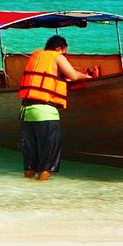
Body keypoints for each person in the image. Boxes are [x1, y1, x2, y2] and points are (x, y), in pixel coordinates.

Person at [18, 34, 92, 180]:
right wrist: (88, 77)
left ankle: (27, 191)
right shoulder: (57, 56)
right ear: (59, 48)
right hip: (46, 114)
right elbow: (73, 75)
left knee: (30, 163)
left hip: (25, 113)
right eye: (65, 52)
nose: (65, 55)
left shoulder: (36, 55)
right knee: (47, 163)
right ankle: (42, 196)